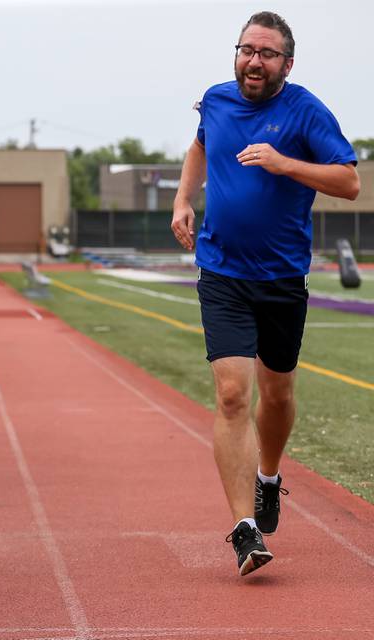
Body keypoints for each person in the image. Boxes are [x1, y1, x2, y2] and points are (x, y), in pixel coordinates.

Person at [171, 11, 359, 576]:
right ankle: (244, 528)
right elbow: (200, 146)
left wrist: (284, 163)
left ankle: (269, 478)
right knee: (233, 395)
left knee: (276, 396)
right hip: (222, 272)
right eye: (246, 49)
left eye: (267, 53)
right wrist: (184, 199)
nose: (254, 60)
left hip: (281, 279)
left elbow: (349, 181)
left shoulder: (305, 110)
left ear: (287, 63)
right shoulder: (217, 99)